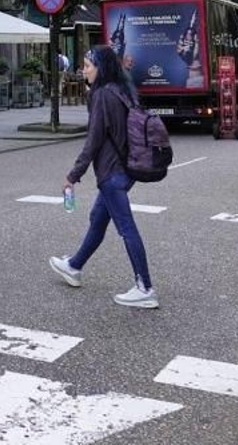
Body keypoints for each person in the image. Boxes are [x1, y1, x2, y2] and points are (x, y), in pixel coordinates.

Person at [49, 45, 157, 309]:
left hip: (112, 173)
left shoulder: (102, 96)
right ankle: (74, 266)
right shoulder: (122, 90)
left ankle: (145, 287)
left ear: (101, 68)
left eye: (88, 65)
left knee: (126, 228)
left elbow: (93, 140)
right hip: (126, 169)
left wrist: (73, 175)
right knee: (98, 219)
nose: (84, 70)